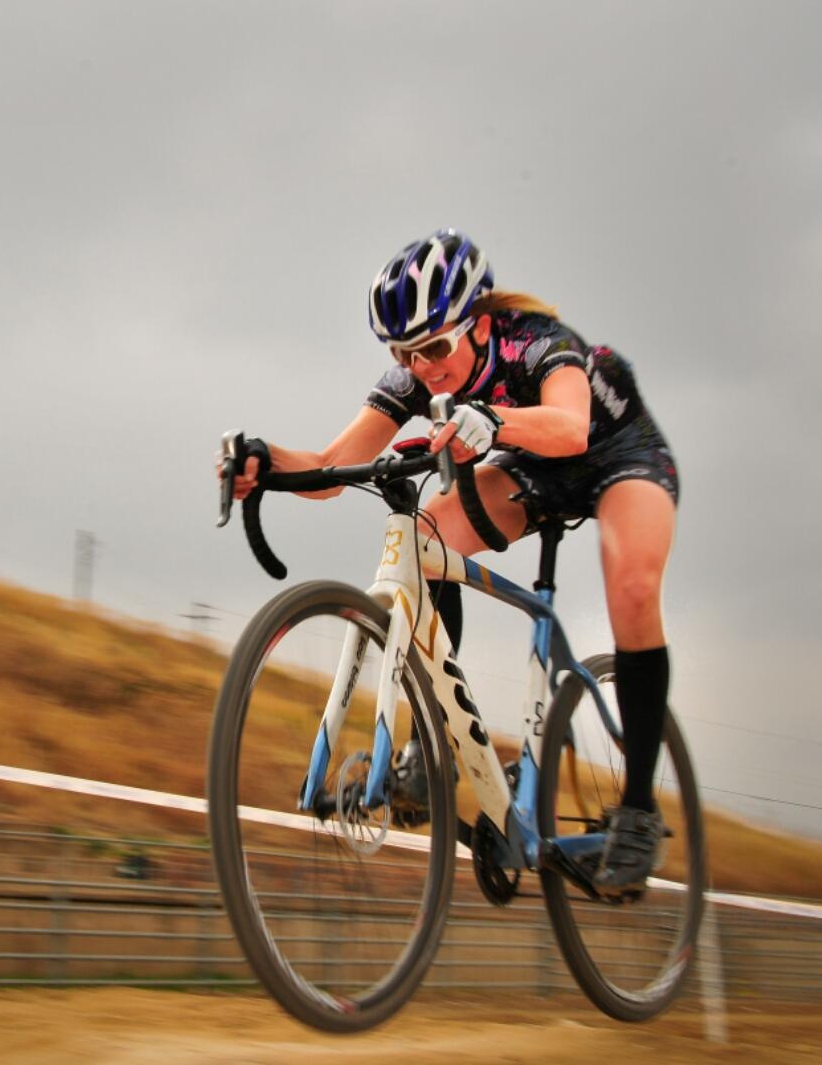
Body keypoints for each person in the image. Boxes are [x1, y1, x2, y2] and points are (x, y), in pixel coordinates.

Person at [224, 228, 679, 896]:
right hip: (528, 464)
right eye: (404, 352)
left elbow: (569, 428)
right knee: (426, 538)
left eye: (435, 347)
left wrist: (491, 421)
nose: (423, 365)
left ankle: (637, 808)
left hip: (617, 455)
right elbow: (328, 468)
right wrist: (263, 461)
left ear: (477, 322)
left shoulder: (533, 338)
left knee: (633, 588)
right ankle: (426, 749)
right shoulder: (414, 374)